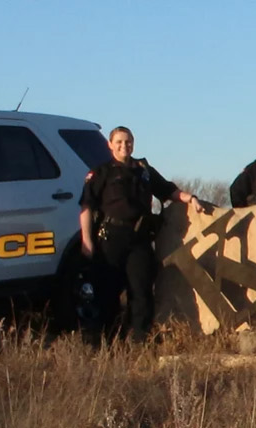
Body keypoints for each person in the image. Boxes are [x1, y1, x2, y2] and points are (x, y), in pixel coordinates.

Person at [78, 126, 209, 341]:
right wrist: (86, 240)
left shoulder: (143, 170)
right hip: (111, 237)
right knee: (107, 293)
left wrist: (190, 198)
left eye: (128, 141)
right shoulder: (100, 172)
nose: (124, 146)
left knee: (141, 292)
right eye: (119, 142)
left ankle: (139, 340)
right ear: (110, 145)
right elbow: (86, 207)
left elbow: (168, 190)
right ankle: (104, 343)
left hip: (139, 239)